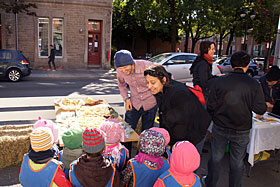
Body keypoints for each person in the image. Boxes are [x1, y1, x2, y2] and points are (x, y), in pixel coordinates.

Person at [204, 51, 267, 187]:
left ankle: (210, 183)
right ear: (248, 65)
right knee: (237, 162)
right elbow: (260, 109)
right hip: (242, 128)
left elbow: (210, 106)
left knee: (216, 158)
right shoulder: (254, 84)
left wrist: (217, 116)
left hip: (220, 125)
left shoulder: (219, 81)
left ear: (231, 65)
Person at [144, 65, 211, 152]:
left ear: (163, 80)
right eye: (147, 82)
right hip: (181, 132)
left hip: (194, 132)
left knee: (186, 163)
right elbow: (164, 116)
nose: (149, 87)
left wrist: (172, 144)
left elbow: (182, 125)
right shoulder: (161, 91)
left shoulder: (178, 94)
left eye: (152, 83)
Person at [114, 50, 157, 131]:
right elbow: (121, 85)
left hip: (151, 102)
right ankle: (126, 144)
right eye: (120, 69)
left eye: (125, 68)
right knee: (127, 130)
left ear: (132, 63)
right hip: (134, 102)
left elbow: (166, 78)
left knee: (147, 131)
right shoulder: (120, 71)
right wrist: (126, 99)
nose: (123, 71)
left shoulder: (147, 65)